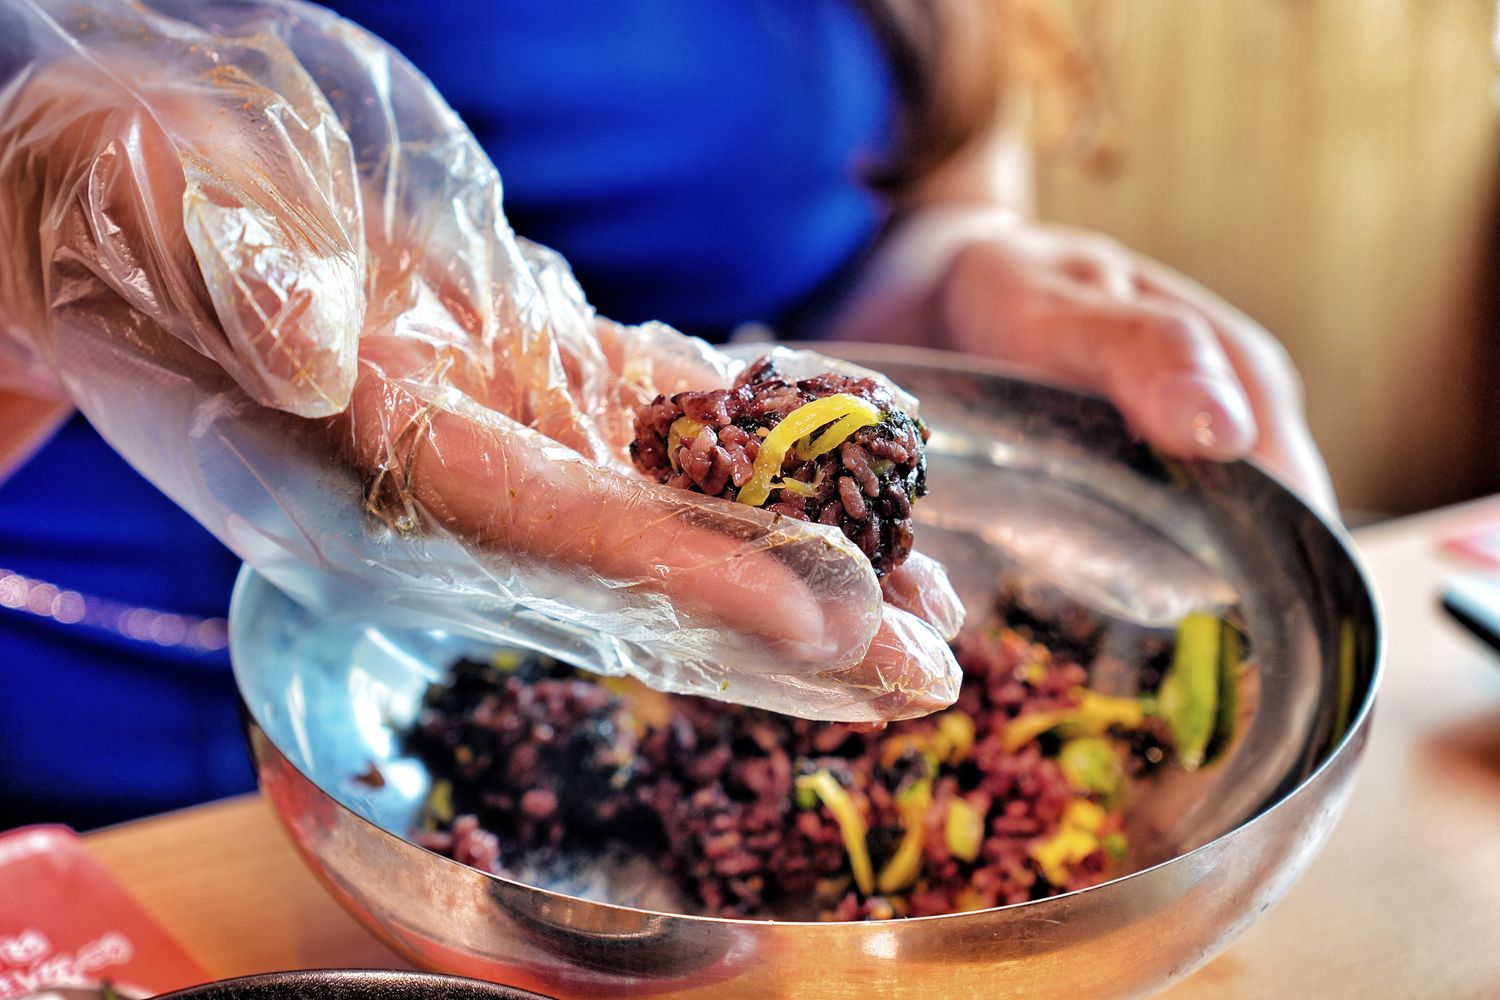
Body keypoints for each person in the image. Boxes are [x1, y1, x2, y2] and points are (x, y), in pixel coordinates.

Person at [0, 0, 1333, 830]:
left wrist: (956, 277)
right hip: (108, 772)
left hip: (652, 702)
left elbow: (907, 182)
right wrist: (40, 200)